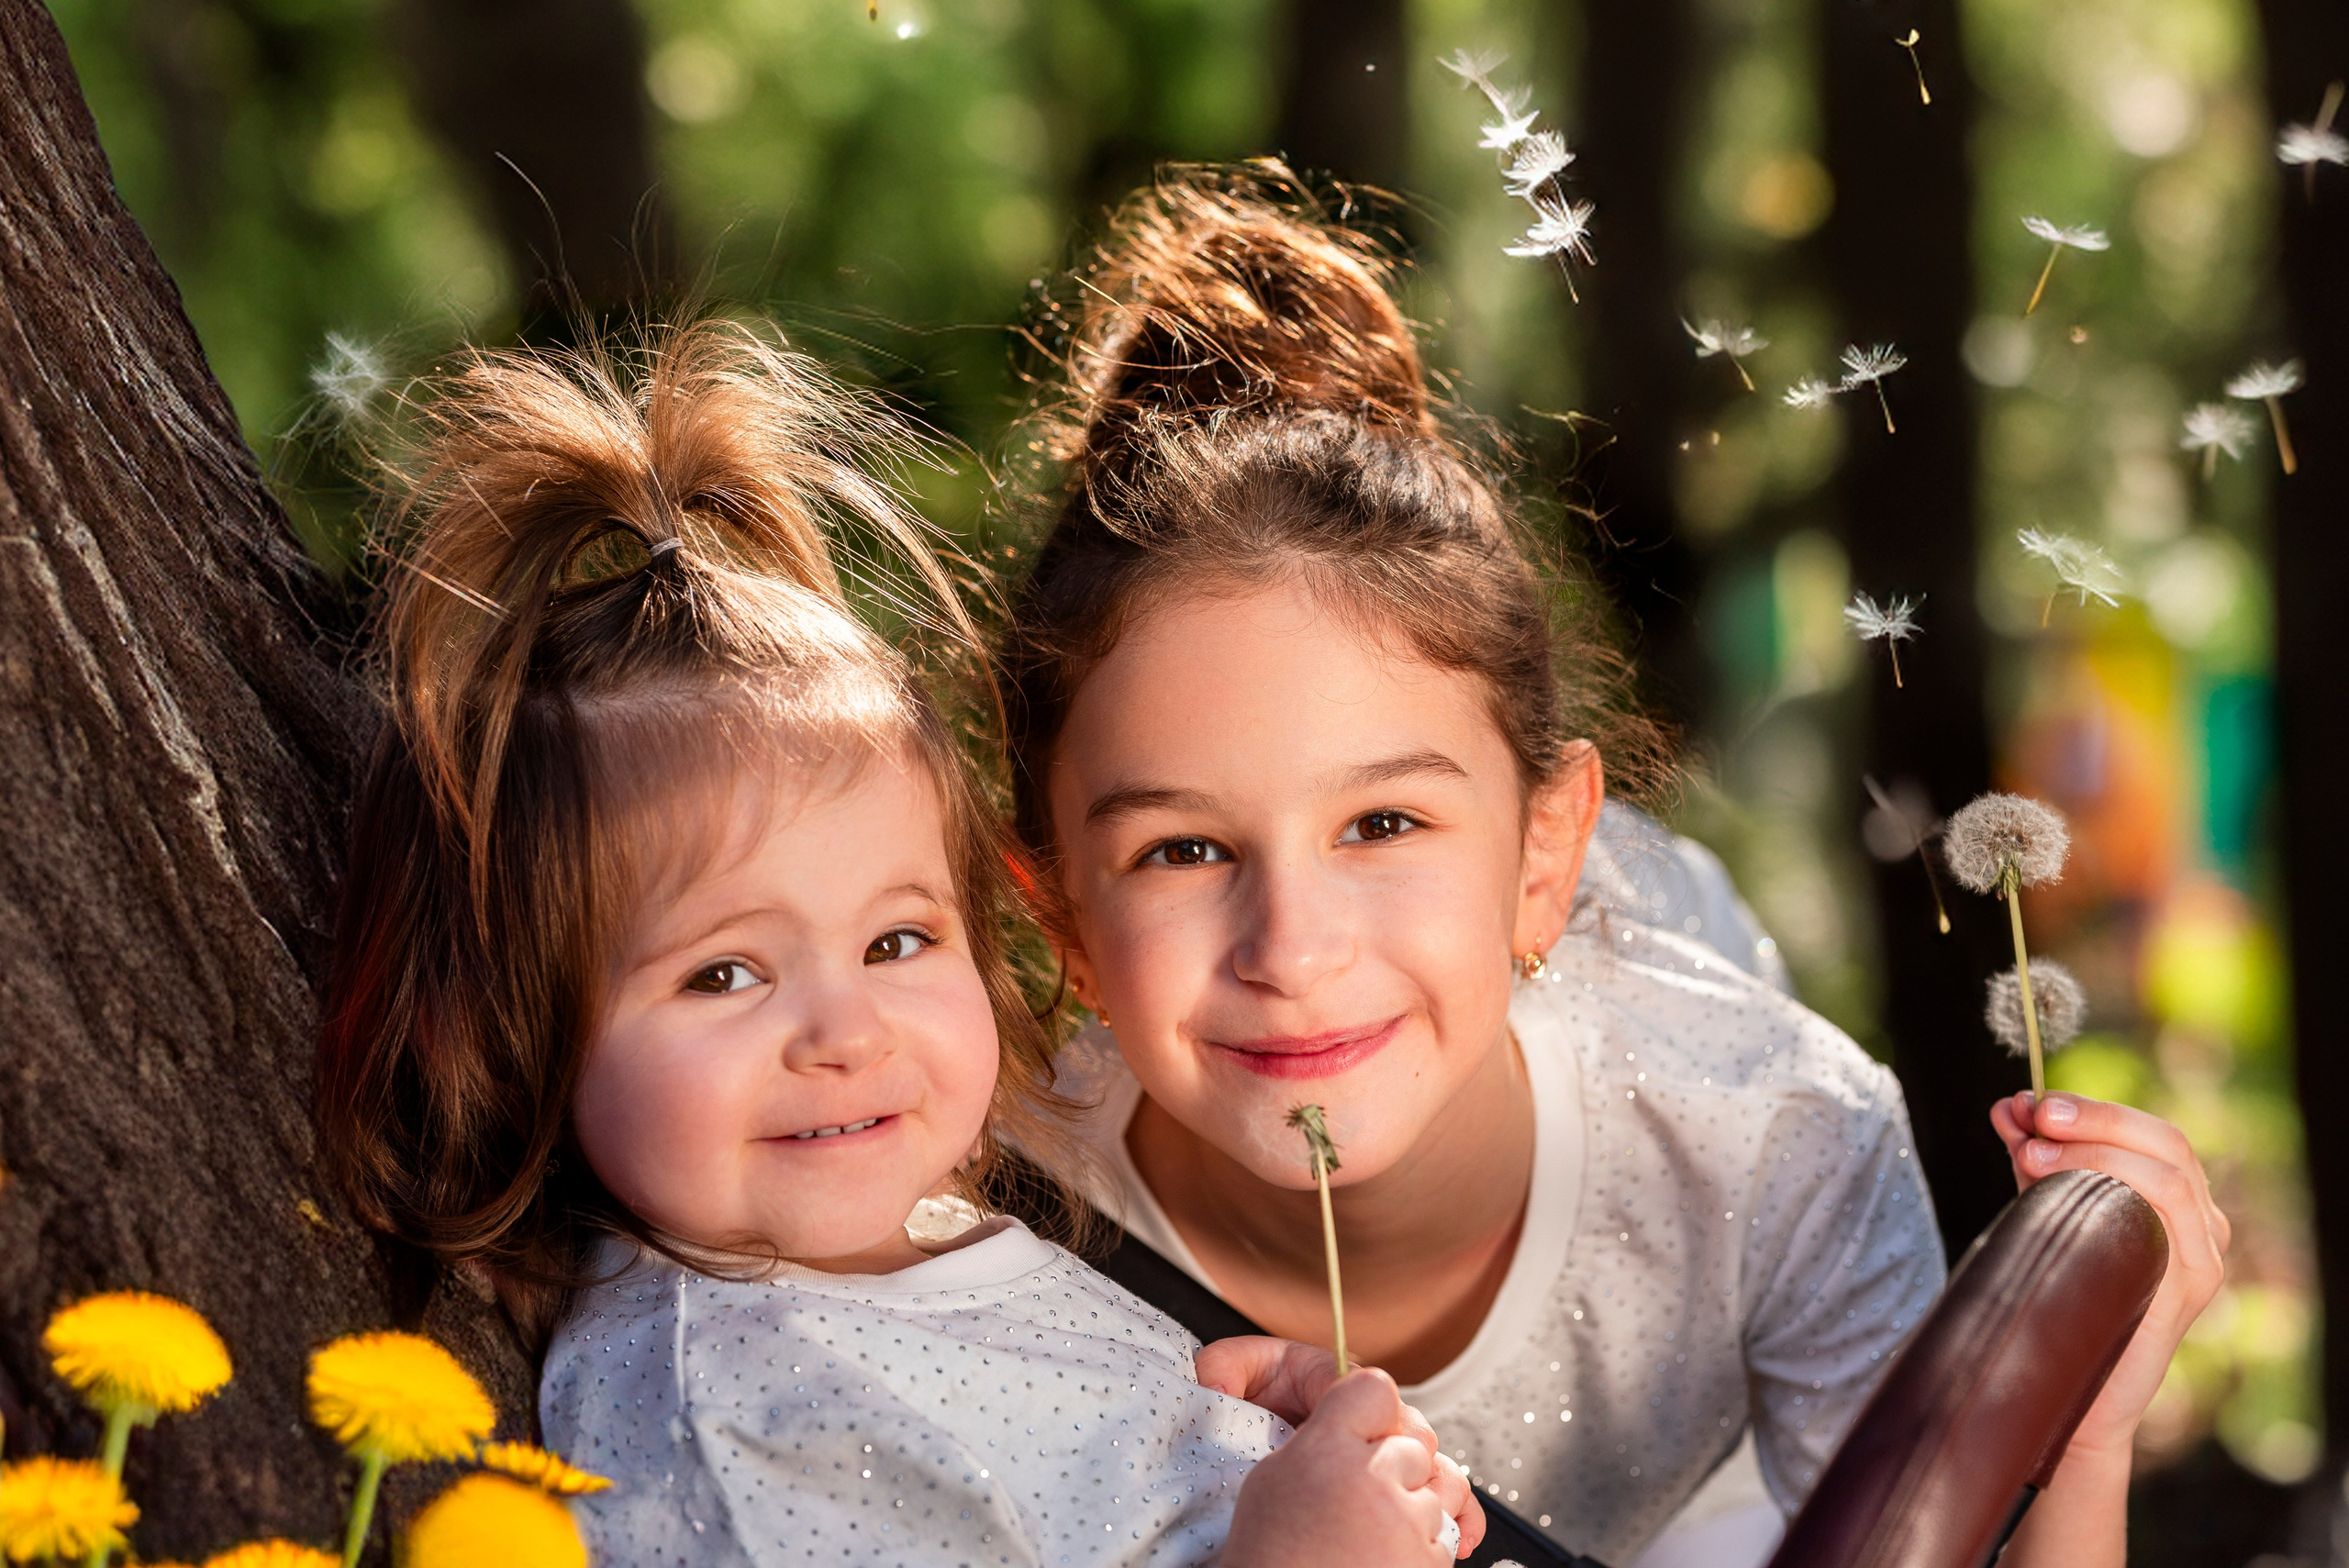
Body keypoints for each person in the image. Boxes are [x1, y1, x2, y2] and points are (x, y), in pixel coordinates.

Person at [993, 167, 2228, 1568]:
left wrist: (2076, 1438)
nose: (1293, 944)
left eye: (1382, 823)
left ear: (1544, 858)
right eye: (1185, 848)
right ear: (1065, 924)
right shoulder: (983, 1222)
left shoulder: (1772, 1142)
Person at [309, 319, 1485, 1566]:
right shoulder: (731, 1419)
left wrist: (1247, 1447)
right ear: (511, 1027)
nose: (846, 1030)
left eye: (897, 941)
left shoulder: (905, 1242)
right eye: (724, 973)